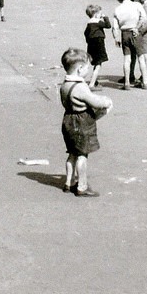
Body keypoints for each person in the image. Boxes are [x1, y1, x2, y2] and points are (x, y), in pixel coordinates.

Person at [59, 48, 113, 198]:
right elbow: (95, 101)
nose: (88, 70)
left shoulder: (65, 84)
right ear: (80, 69)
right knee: (83, 154)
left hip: (68, 119)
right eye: (87, 67)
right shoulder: (80, 87)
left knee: (72, 154)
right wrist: (106, 101)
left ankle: (68, 183)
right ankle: (82, 186)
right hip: (81, 121)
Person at [110, 0, 147, 90]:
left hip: (124, 34)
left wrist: (116, 37)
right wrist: (138, 27)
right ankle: (145, 81)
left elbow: (115, 26)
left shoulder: (117, 9)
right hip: (135, 33)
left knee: (127, 58)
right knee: (140, 57)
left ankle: (127, 82)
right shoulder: (136, 5)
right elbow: (144, 18)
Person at [83, 5, 111, 89]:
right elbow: (108, 25)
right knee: (98, 64)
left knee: (93, 62)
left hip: (91, 45)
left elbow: (86, 33)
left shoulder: (89, 23)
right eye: (100, 13)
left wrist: (88, 41)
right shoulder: (98, 22)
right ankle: (91, 84)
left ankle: (94, 81)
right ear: (96, 14)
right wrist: (105, 17)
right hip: (99, 44)